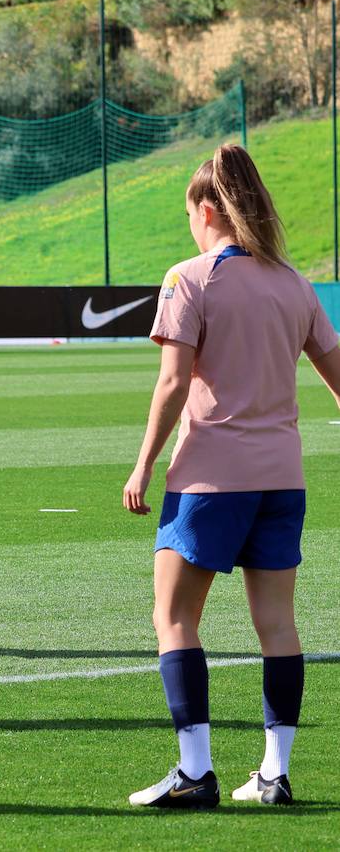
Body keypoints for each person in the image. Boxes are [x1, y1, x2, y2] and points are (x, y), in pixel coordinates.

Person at [123, 144, 340, 808]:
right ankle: (274, 773)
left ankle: (195, 772)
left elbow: (171, 384)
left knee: (174, 616)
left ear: (207, 208)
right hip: (282, 481)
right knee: (278, 624)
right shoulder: (295, 284)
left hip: (210, 480)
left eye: (190, 211)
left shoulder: (190, 278)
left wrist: (143, 463)